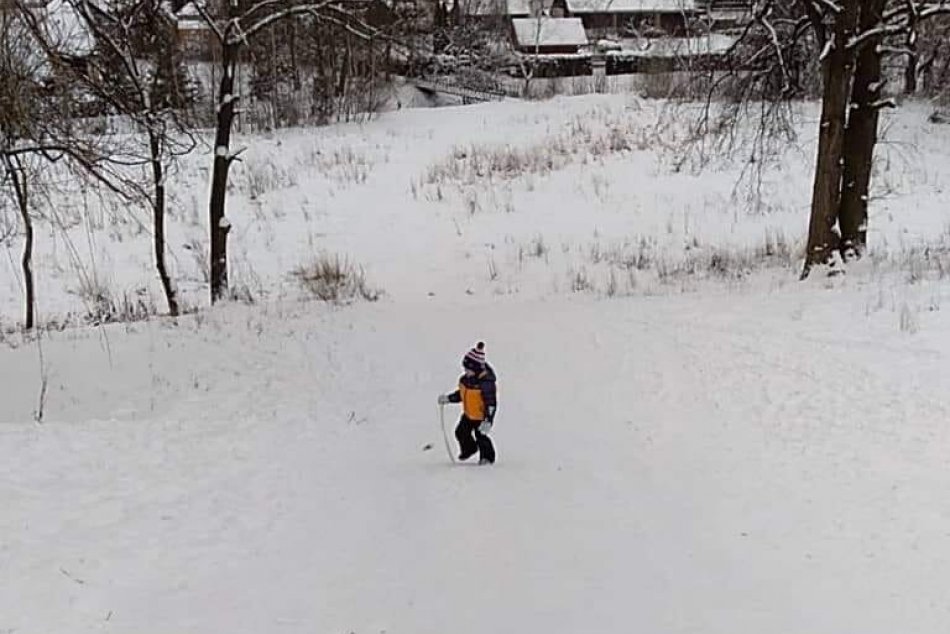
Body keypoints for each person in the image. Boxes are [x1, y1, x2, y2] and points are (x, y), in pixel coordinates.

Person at [438, 341, 497, 465]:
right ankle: (469, 449)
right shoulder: (466, 380)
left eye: (468, 369)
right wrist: (449, 398)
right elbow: (461, 394)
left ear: (476, 369)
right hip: (469, 414)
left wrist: (488, 420)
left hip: (481, 416)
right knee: (460, 432)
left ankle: (487, 457)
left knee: (481, 436)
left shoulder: (486, 383)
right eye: (465, 369)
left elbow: (491, 403)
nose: (466, 371)